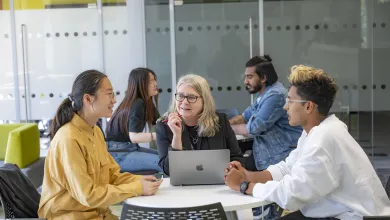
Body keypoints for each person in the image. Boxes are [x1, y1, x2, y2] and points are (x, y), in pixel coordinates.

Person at [224, 65, 390, 219]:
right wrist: (248, 175)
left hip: (350, 216)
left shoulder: (323, 139)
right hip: (337, 212)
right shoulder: (317, 130)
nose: (285, 107)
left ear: (309, 107)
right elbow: (287, 168)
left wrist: (244, 185)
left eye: (290, 101)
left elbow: (291, 195)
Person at [38, 70, 163, 220]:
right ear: (88, 99)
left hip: (99, 214)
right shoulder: (68, 139)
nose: (114, 100)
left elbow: (113, 176)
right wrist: (137, 188)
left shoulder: (96, 131)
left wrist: (139, 181)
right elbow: (88, 195)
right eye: (109, 94)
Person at [156, 74, 244, 176]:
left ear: (204, 100)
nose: (184, 102)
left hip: (217, 184)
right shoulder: (164, 125)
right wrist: (176, 136)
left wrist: (231, 169)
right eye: (180, 96)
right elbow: (168, 171)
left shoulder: (220, 121)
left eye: (191, 97)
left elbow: (237, 158)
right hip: (182, 188)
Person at [229, 55, 302, 172]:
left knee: (230, 165)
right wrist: (224, 124)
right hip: (266, 152)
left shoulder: (276, 95)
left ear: (263, 78)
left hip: (278, 157)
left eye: (249, 77)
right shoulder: (264, 94)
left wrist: (228, 129)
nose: (245, 81)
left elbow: (253, 128)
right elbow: (245, 116)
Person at [106, 68, 163, 173]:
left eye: (155, 80)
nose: (155, 83)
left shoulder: (147, 102)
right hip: (118, 155)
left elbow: (161, 122)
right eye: (150, 81)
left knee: (167, 158)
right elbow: (134, 137)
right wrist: (159, 135)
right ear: (140, 83)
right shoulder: (138, 103)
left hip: (129, 149)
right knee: (164, 163)